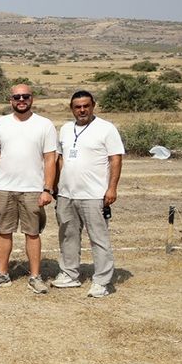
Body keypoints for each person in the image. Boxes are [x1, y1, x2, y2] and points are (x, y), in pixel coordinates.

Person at [0, 84, 58, 294]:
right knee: (3, 232)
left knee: (32, 233)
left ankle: (35, 276)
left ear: (32, 98)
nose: (21, 100)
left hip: (33, 189)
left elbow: (50, 159)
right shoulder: (0, 124)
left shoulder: (45, 125)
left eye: (25, 96)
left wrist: (47, 189)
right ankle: (2, 274)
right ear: (11, 100)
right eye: (17, 97)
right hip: (3, 188)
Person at [53, 91, 124, 298]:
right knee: (68, 236)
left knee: (98, 238)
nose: (82, 110)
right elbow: (60, 159)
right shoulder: (66, 129)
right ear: (71, 108)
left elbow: (115, 159)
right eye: (78, 107)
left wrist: (112, 188)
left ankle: (102, 281)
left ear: (93, 105)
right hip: (66, 194)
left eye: (86, 106)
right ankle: (69, 274)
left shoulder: (106, 129)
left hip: (94, 195)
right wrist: (56, 186)